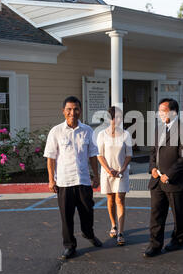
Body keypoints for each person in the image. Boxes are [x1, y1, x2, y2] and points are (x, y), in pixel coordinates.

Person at [43, 96, 102, 260]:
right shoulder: (56, 131)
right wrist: (51, 180)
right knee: (66, 217)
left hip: (83, 180)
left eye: (76, 109)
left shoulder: (88, 131)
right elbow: (51, 158)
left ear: (80, 111)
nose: (72, 112)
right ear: (63, 111)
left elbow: (92, 155)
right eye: (69, 109)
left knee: (87, 212)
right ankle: (69, 246)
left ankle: (88, 233)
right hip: (64, 181)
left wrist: (96, 176)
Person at [144, 98, 183, 258]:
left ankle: (178, 240)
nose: (159, 114)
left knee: (179, 214)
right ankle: (155, 245)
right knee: (156, 214)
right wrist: (152, 168)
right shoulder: (158, 129)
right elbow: (153, 152)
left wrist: (168, 175)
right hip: (157, 180)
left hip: (175, 182)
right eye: (159, 111)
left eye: (162, 111)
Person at [97, 106, 133, 246]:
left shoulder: (126, 134)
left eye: (118, 117)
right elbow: (99, 155)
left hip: (121, 173)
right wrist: (108, 169)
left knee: (120, 199)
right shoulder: (101, 135)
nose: (115, 120)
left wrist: (122, 169)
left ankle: (121, 232)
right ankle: (113, 225)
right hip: (107, 172)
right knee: (110, 199)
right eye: (112, 117)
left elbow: (129, 154)